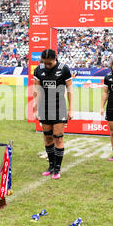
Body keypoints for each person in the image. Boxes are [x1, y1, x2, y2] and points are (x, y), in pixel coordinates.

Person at [33, 49, 73, 180]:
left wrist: (70, 109)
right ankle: (50, 166)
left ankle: (57, 169)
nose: (47, 66)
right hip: (44, 108)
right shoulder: (39, 69)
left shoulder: (64, 69)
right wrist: (35, 107)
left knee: (58, 138)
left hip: (59, 108)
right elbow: (37, 90)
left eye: (49, 63)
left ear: (55, 58)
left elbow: (70, 90)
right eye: (45, 63)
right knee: (48, 138)